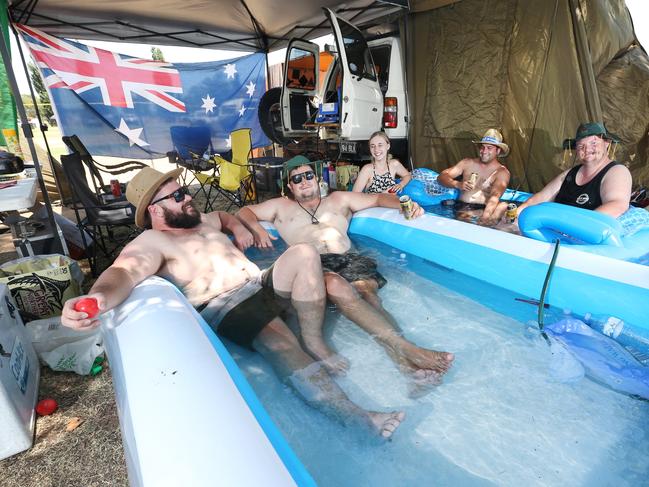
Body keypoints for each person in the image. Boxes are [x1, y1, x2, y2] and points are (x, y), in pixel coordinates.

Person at [60, 167, 404, 438]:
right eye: (177, 195)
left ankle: (314, 340)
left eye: (184, 189)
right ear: (155, 209)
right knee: (280, 340)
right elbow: (123, 271)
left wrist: (240, 227)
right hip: (228, 303)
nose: (188, 196)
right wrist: (98, 297)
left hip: (259, 283)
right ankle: (359, 418)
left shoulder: (204, 220)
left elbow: (224, 215)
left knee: (304, 253)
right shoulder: (153, 241)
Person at [237, 156, 454, 394]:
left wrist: (404, 203)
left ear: (317, 178)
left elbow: (379, 198)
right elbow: (245, 211)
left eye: (308, 175)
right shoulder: (280, 206)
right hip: (315, 266)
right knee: (334, 284)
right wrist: (256, 229)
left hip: (349, 259)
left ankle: (407, 366)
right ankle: (411, 351)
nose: (304, 182)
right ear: (290, 186)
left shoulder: (339, 199)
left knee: (369, 297)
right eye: (296, 179)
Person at [515, 122, 631, 218]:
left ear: (607, 143)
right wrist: (515, 214)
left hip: (581, 238)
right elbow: (541, 197)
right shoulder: (569, 174)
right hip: (555, 229)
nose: (587, 149)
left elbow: (617, 205)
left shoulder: (617, 172)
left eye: (593, 142)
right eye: (581, 146)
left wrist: (575, 227)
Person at [437, 128, 511, 225]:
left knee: (504, 206)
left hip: (485, 209)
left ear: (498, 151)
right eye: (482, 147)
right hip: (463, 208)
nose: (484, 151)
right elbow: (441, 177)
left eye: (489, 148)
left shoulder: (502, 172)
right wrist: (457, 184)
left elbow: (494, 197)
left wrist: (484, 219)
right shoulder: (467, 163)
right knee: (464, 219)